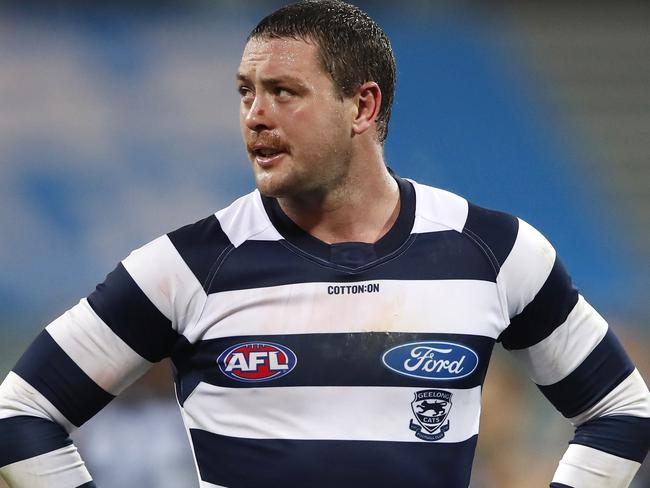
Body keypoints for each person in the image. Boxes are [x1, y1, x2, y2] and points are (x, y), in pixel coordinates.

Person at [0, 1, 648, 486]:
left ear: (362, 108)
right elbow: (21, 412)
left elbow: (620, 408)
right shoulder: (188, 265)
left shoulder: (495, 251)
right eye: (245, 93)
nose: (255, 114)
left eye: (284, 92)